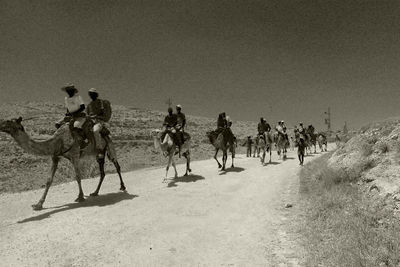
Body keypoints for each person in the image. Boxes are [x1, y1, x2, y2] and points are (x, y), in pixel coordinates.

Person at [87, 88, 108, 158]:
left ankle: (100, 149)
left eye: (93, 94)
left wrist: (96, 116)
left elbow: (103, 114)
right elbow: (87, 114)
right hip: (90, 122)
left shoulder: (100, 103)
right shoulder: (89, 105)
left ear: (96, 95)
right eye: (90, 94)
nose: (91, 96)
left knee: (95, 130)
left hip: (99, 122)